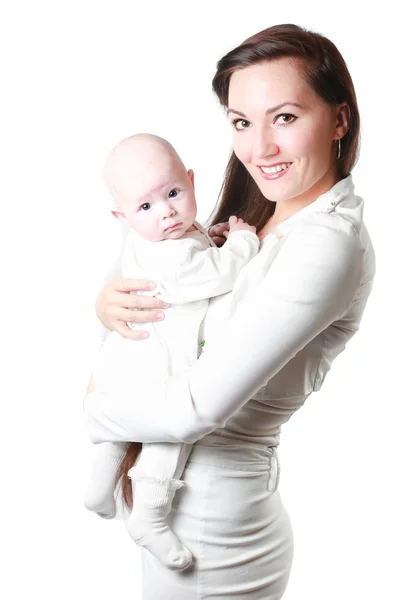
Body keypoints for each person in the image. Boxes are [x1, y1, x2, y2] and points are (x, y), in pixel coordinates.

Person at [84, 23, 375, 600]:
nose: (259, 147)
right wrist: (106, 304)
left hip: (216, 535)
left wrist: (93, 405)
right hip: (189, 512)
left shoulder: (326, 243)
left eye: (285, 118)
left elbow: (196, 406)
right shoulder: (257, 220)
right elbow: (180, 316)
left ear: (339, 119)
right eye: (243, 122)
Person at [84, 133, 260, 572]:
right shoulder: (172, 257)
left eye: (174, 193)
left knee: (118, 428)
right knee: (166, 438)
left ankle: (97, 488)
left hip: (126, 361)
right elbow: (217, 273)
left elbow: (195, 244)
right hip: (162, 366)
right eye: (146, 207)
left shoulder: (159, 241)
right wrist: (240, 241)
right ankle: (149, 515)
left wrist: (212, 233)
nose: (166, 212)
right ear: (121, 216)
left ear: (192, 181)